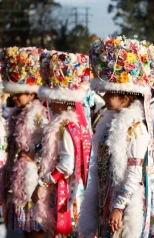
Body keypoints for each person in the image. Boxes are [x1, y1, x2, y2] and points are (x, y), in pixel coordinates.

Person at [79, 36, 154, 237]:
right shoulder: (106, 122)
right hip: (107, 198)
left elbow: (133, 172)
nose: (104, 97)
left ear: (124, 94)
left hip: (123, 204)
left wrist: (119, 206)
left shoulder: (135, 128)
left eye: (109, 93)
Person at [32, 50, 92, 237]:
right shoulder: (74, 124)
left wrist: (44, 182)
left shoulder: (65, 127)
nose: (48, 104)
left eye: (51, 99)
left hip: (68, 190)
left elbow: (66, 165)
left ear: (60, 100)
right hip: (76, 187)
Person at [0, 47, 48, 238]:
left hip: (32, 180)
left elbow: (49, 144)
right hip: (18, 179)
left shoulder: (37, 115)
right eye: (13, 92)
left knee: (34, 230)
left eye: (18, 92)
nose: (14, 97)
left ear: (31, 93)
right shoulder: (17, 114)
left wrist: (33, 156)